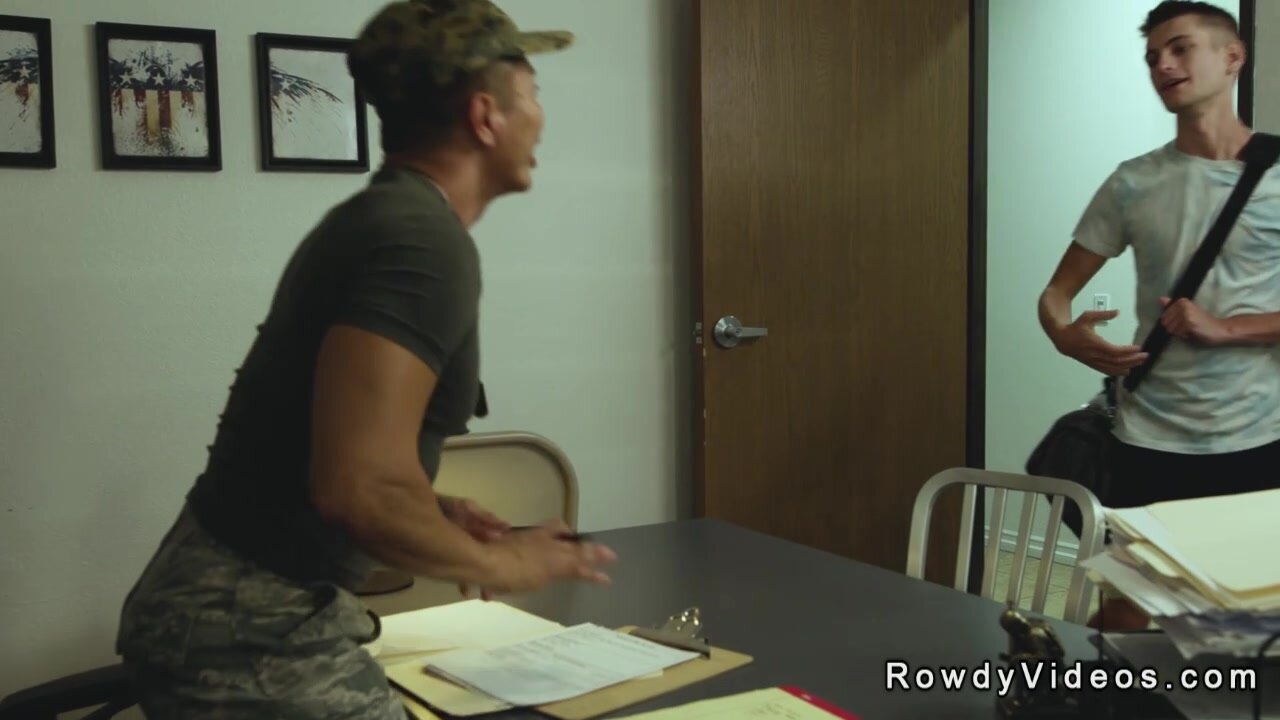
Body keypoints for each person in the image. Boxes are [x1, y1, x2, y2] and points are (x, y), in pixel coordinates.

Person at [114, 1, 617, 716]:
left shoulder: (381, 220)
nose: (541, 116)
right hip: (249, 627)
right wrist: (505, 562)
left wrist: (434, 512)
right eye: (532, 94)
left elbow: (321, 447)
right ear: (485, 117)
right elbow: (357, 488)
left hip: (224, 603)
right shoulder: (422, 242)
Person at [1039, 0, 1280, 630]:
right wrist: (1064, 334)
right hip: (1147, 437)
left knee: (1248, 620)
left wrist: (1226, 328)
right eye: (1152, 57)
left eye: (1180, 48)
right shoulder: (1133, 182)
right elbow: (1056, 295)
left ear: (1233, 57)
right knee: (1128, 609)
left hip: (1259, 439)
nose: (1163, 65)